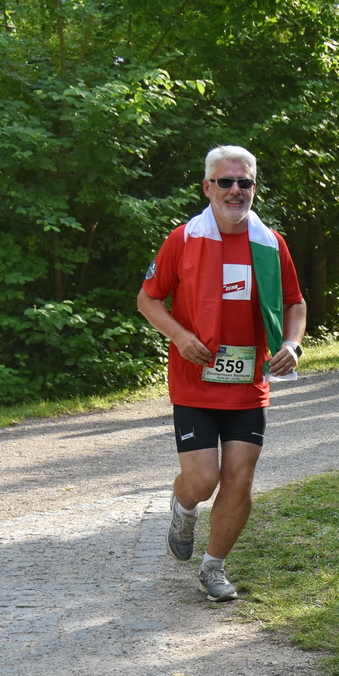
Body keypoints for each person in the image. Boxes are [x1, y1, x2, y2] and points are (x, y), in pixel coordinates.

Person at [137, 145, 307, 602]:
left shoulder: (270, 243)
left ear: (254, 187)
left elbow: (295, 302)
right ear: (207, 186)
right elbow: (148, 299)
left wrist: (291, 343)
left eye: (245, 182)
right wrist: (178, 335)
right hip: (195, 380)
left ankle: (214, 567)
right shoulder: (184, 239)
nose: (236, 191)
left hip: (248, 383)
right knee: (202, 481)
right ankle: (183, 505)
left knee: (240, 478)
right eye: (226, 182)